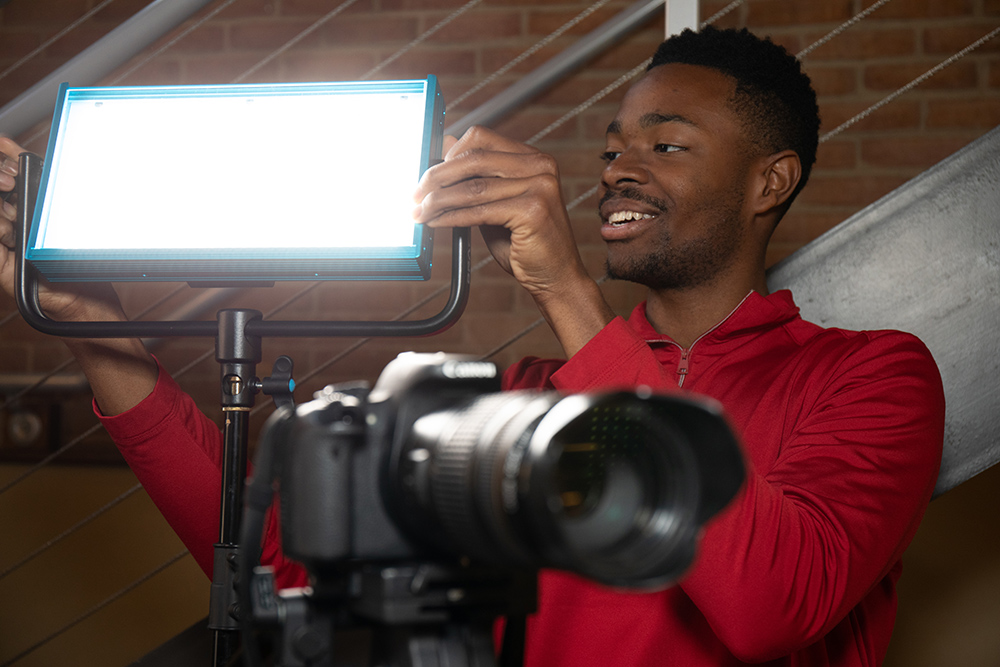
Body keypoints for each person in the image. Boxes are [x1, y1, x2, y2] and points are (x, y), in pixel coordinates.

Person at [0, 27, 944, 667]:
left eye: (666, 145)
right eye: (613, 144)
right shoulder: (516, 399)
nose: (618, 164)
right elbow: (279, 560)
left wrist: (565, 293)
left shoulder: (871, 375)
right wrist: (100, 337)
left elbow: (767, 603)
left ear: (769, 180)